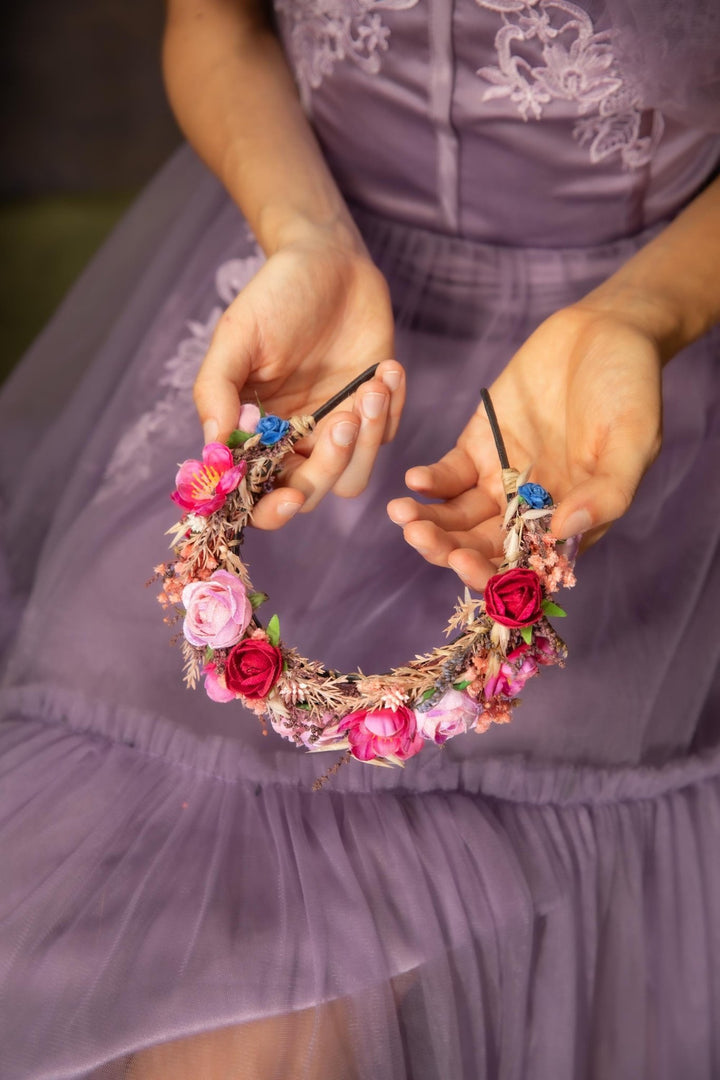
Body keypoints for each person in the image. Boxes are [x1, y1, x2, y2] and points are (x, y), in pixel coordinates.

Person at [1, 0, 719, 1077]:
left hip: (613, 370)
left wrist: (645, 314)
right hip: (311, 328)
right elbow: (217, 25)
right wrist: (304, 232)